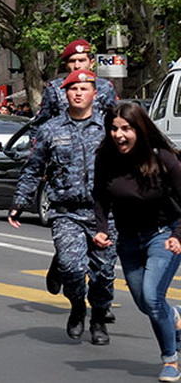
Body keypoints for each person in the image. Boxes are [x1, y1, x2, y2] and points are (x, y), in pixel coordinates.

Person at [10, 69, 117, 345]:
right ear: (65, 94)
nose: (78, 93)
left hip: (105, 214)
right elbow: (33, 168)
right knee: (70, 267)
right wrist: (20, 202)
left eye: (85, 88)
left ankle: (98, 319)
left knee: (104, 274)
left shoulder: (110, 127)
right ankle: (78, 308)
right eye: (73, 89)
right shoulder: (50, 130)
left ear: (95, 93)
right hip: (66, 211)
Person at [92, 102, 181, 381]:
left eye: (127, 129)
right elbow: (100, 196)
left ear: (140, 130)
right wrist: (102, 228)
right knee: (145, 303)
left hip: (164, 235)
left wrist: (178, 236)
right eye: (114, 129)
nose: (119, 135)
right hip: (128, 241)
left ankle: (171, 360)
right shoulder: (106, 158)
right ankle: (174, 316)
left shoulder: (164, 158)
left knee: (153, 298)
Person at [32, 39, 118, 299]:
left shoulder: (104, 88)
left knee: (103, 260)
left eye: (82, 61)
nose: (77, 65)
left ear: (91, 62)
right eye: (72, 62)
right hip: (66, 163)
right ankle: (64, 262)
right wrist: (42, 155)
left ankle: (100, 303)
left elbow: (117, 120)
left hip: (96, 163)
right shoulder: (56, 89)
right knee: (70, 239)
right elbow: (42, 122)